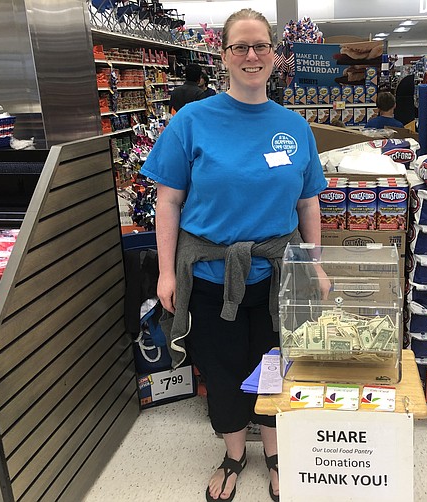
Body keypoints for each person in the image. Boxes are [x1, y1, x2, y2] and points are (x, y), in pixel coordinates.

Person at [140, 8, 329, 502]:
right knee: (223, 370)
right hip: (208, 276)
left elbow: (308, 203)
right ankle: (232, 453)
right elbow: (169, 201)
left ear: (274, 55)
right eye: (240, 46)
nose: (251, 55)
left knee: (274, 366)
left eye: (260, 46)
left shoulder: (295, 127)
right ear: (223, 55)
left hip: (276, 277)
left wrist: (315, 263)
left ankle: (274, 455)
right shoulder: (191, 121)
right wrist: (165, 272)